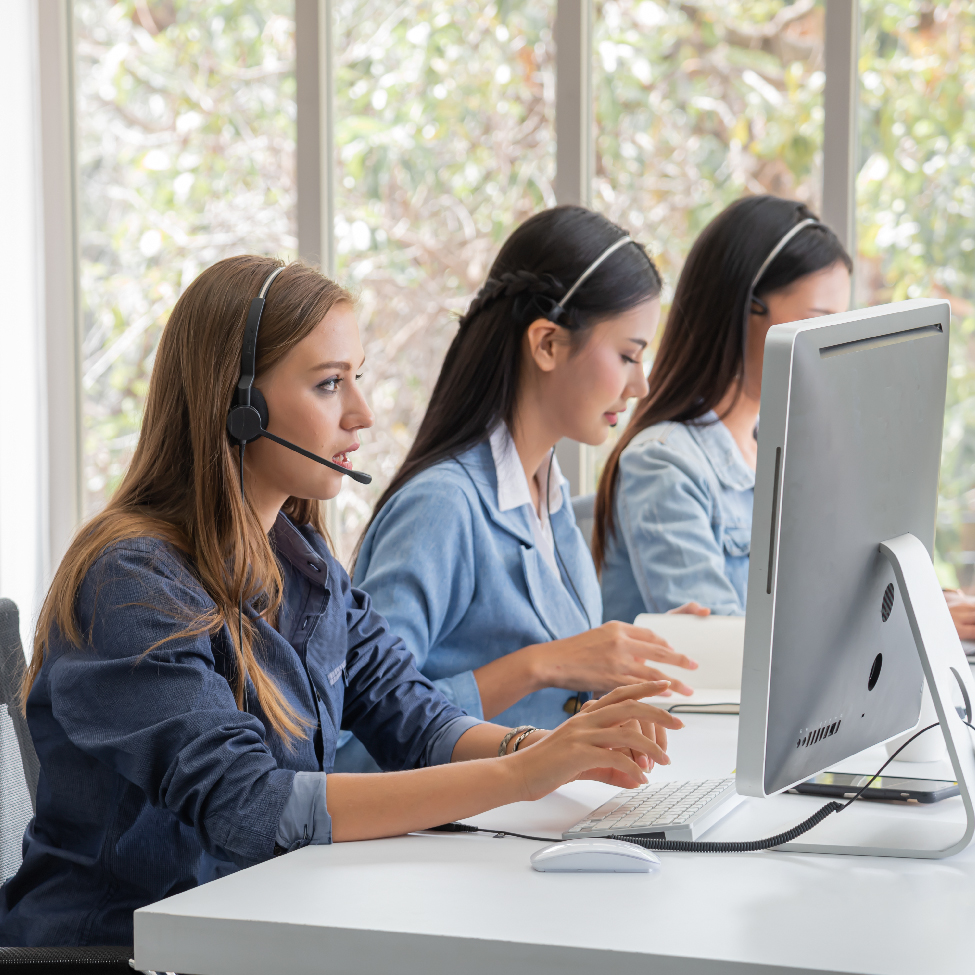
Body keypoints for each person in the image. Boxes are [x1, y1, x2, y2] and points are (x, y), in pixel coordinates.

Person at [0, 257, 681, 948]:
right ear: (239, 407)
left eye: (357, 376)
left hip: (259, 923)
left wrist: (541, 748)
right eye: (330, 384)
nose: (363, 413)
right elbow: (252, 805)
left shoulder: (301, 559)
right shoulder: (131, 581)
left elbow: (411, 718)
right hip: (132, 945)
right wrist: (519, 774)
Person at [340, 206, 702, 774]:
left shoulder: (548, 497)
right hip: (451, 846)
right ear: (548, 344)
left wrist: (639, 651)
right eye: (628, 355)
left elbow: (556, 709)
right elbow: (348, 749)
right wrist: (541, 666)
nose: (642, 384)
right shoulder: (443, 508)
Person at [594, 196, 852, 621]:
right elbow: (726, 661)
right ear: (744, 309)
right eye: (817, 320)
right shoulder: (664, 464)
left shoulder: (777, 454)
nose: (831, 344)